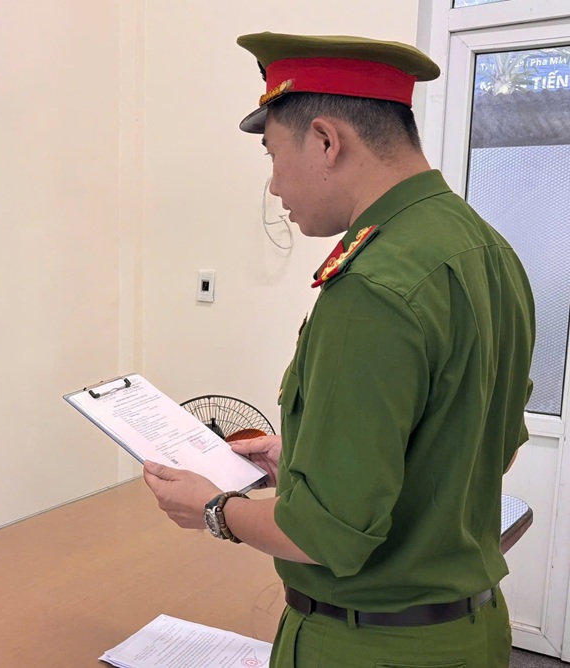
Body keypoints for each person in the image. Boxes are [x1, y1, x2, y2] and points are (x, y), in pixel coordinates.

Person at [143, 32, 535, 666]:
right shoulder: (486, 250)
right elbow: (486, 445)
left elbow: (326, 536)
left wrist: (213, 509)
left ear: (326, 141)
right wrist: (307, 458)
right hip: (470, 632)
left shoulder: (374, 286)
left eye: (274, 156)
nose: (275, 187)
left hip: (371, 644)